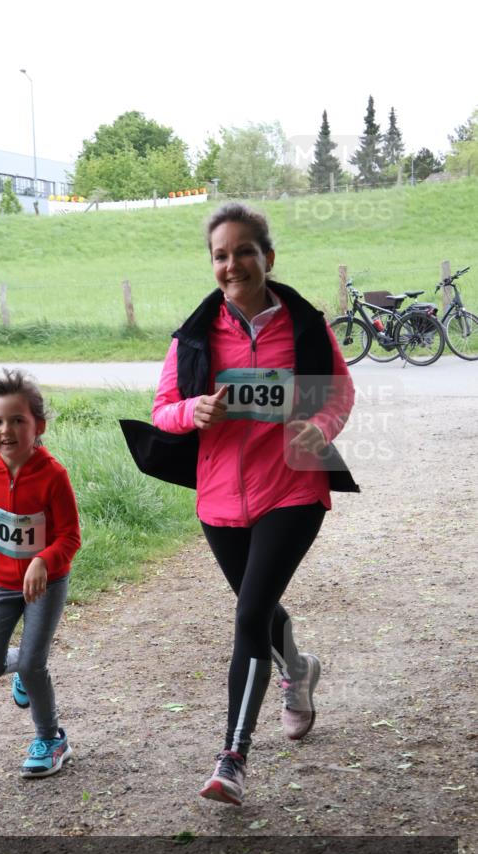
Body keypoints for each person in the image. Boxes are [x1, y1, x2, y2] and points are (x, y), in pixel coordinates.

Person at [150, 202, 357, 807]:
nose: (233, 263)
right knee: (257, 607)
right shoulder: (194, 335)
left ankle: (232, 757)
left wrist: (321, 426)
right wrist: (195, 411)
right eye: (221, 254)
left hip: (292, 488)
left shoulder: (303, 324)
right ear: (212, 263)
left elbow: (339, 392)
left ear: (268, 256)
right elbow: (163, 408)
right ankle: (300, 670)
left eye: (244, 251)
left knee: (247, 617)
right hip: (219, 498)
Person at [0, 368, 81, 779]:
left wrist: (42, 560)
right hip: (0, 583)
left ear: (38, 426)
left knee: (34, 663)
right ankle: (25, 671)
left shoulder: (53, 475)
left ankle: (51, 739)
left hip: (47, 582)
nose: (6, 430)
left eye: (17, 420)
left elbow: (70, 536)